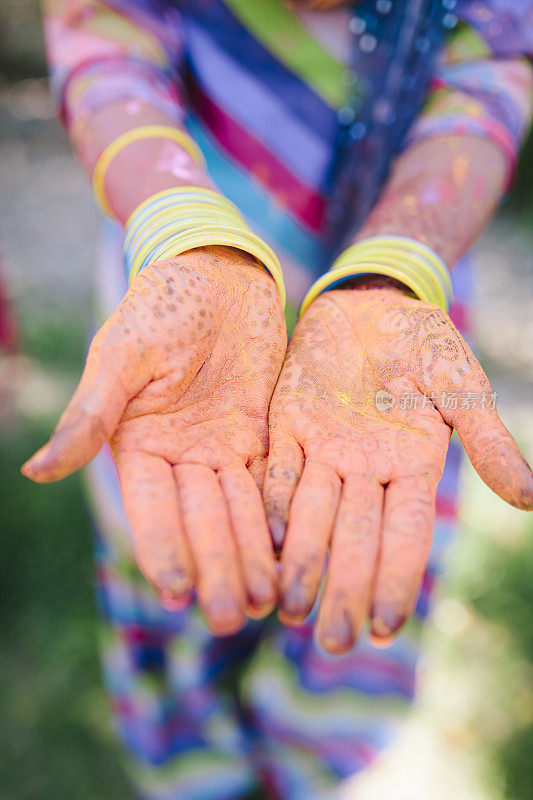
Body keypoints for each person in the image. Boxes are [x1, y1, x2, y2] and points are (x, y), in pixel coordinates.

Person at [23, 1, 533, 798]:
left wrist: (397, 265)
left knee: (352, 573)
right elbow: (104, 36)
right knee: (183, 567)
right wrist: (183, 227)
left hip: (393, 322)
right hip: (183, 313)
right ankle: (193, 767)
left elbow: (485, 73)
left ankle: (313, 765)